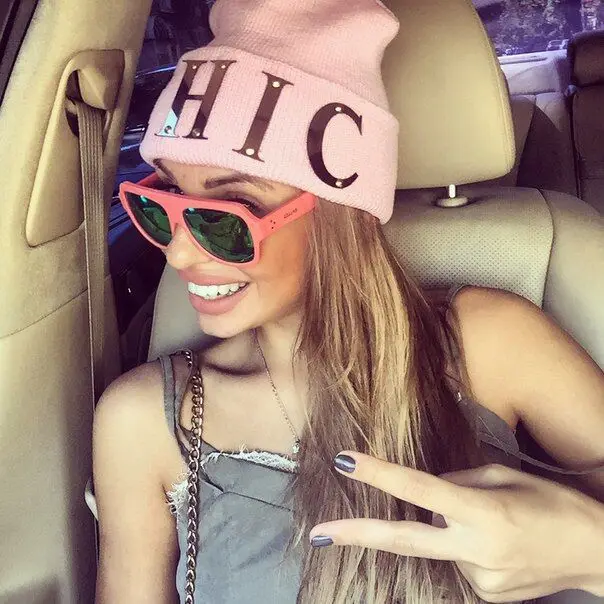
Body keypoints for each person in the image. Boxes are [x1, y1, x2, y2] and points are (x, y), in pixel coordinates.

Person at [92, 0, 604, 602]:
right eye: (162, 204)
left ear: (341, 212)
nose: (178, 254)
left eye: (225, 216)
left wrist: (589, 551)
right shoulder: (143, 420)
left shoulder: (491, 342)